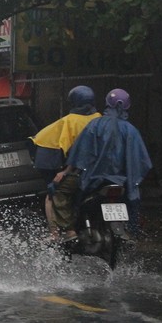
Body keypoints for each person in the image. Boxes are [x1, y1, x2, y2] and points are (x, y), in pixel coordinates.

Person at [51, 88, 152, 240]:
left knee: (60, 190)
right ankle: (128, 231)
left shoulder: (95, 125)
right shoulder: (131, 130)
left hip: (93, 179)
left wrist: (65, 172)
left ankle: (70, 230)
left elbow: (80, 154)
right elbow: (141, 161)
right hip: (121, 181)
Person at [31, 85, 101, 238]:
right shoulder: (100, 119)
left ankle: (58, 233)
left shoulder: (69, 122)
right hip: (104, 174)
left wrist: (64, 172)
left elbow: (66, 149)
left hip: (79, 174)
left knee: (53, 194)